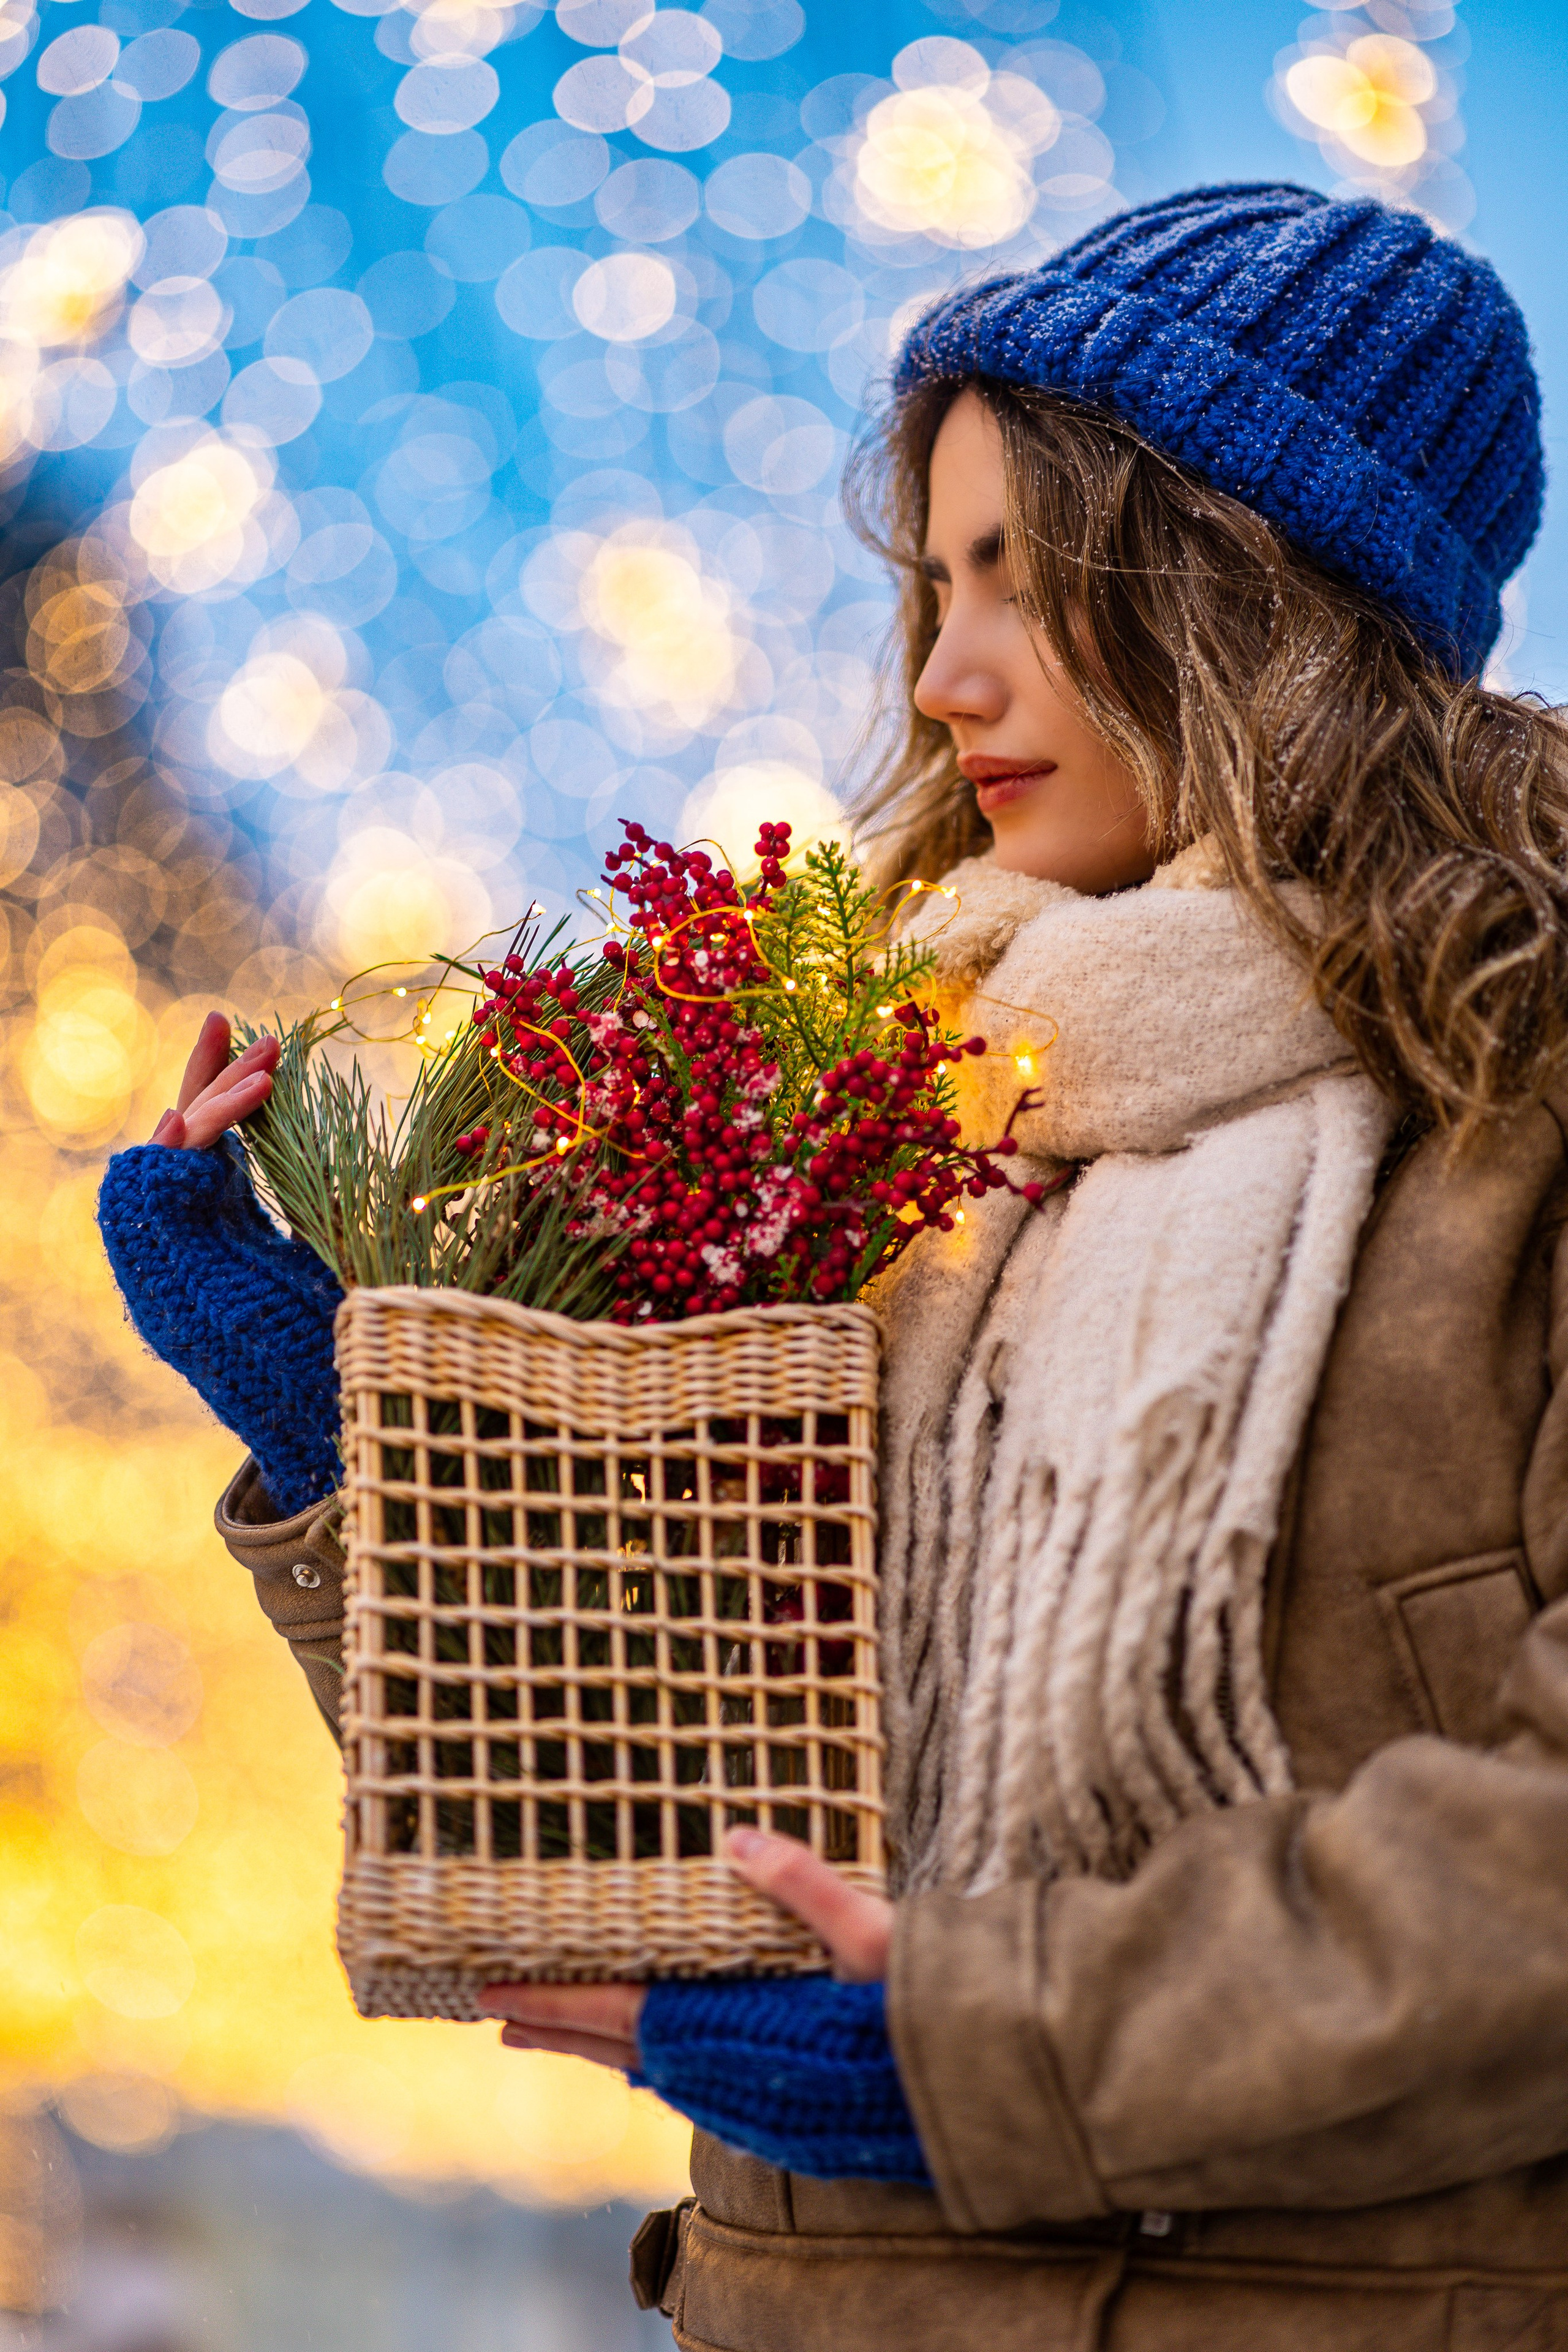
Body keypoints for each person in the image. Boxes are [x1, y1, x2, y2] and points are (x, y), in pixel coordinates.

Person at [97, 184, 1568, 2351]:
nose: (945, 674)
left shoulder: (1511, 1126)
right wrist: (362, 1429)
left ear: (1261, 604)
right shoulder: (873, 1139)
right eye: (935, 586)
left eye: (1032, 584)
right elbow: (621, 1770)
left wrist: (966, 2057)